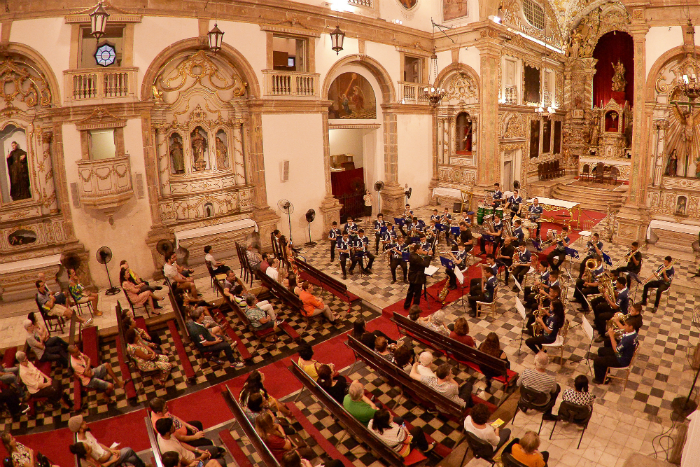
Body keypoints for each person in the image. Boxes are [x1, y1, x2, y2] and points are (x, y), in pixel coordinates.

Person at [68, 415, 146, 467]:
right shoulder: (84, 446)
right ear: (80, 428)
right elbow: (100, 460)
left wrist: (110, 450)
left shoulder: (86, 432)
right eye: (83, 423)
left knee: (131, 458)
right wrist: (111, 453)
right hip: (106, 461)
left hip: (107, 454)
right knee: (128, 450)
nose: (85, 422)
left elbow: (97, 444)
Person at [155, 418, 225, 467]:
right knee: (221, 463)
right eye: (172, 427)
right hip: (192, 460)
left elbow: (180, 444)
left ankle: (213, 456)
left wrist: (198, 450)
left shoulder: (161, 434)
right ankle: (211, 458)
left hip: (191, 454)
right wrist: (202, 457)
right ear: (167, 432)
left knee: (214, 449)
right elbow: (187, 463)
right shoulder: (171, 451)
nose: (174, 426)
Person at [593, 315, 641, 384]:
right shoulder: (634, 333)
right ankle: (605, 372)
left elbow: (616, 350)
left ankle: (600, 380)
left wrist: (611, 336)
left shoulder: (628, 339)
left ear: (631, 327)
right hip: (623, 353)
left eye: (626, 325)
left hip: (621, 359)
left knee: (597, 361)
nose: (624, 327)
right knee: (601, 350)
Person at [149, 398, 214, 448]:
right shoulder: (163, 424)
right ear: (159, 412)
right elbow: (180, 438)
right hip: (184, 439)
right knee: (209, 443)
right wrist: (195, 437)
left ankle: (201, 439)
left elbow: (173, 417)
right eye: (165, 408)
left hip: (182, 429)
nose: (167, 408)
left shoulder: (158, 412)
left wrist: (188, 426)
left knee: (197, 424)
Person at [368, 409, 434, 456]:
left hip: (383, 444)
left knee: (399, 420)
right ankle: (426, 449)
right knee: (418, 430)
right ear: (385, 422)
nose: (393, 416)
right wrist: (406, 431)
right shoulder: (397, 431)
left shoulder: (371, 423)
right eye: (390, 417)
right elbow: (408, 440)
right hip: (399, 451)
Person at [517, 352, 560, 420]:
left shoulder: (526, 373)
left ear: (535, 362)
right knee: (557, 388)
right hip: (542, 403)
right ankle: (547, 414)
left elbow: (518, 384)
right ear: (547, 364)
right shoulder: (551, 380)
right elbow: (554, 391)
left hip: (526, 398)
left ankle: (525, 406)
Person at [403, 243, 432, 309]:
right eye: (421, 249)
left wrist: (426, 254)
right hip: (417, 277)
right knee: (417, 293)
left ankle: (406, 305)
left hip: (412, 276)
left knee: (410, 291)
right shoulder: (416, 258)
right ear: (417, 250)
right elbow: (426, 264)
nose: (422, 250)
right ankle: (415, 308)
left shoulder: (412, 254)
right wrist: (429, 256)